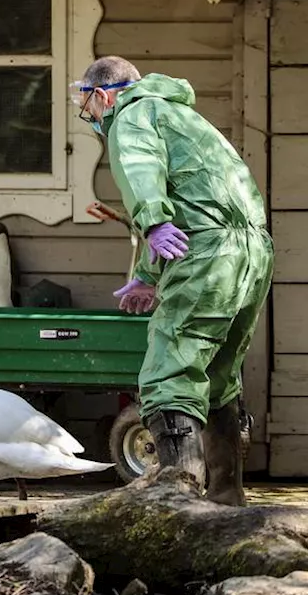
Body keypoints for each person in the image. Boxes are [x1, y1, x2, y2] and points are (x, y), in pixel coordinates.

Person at [72, 56, 272, 506]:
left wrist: (152, 221)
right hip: (252, 252)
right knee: (219, 374)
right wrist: (147, 274)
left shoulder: (131, 116)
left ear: (102, 96)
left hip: (209, 255)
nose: (94, 117)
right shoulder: (183, 116)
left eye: (90, 106)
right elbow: (200, 204)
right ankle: (225, 497)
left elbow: (144, 172)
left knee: (169, 372)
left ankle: (175, 503)